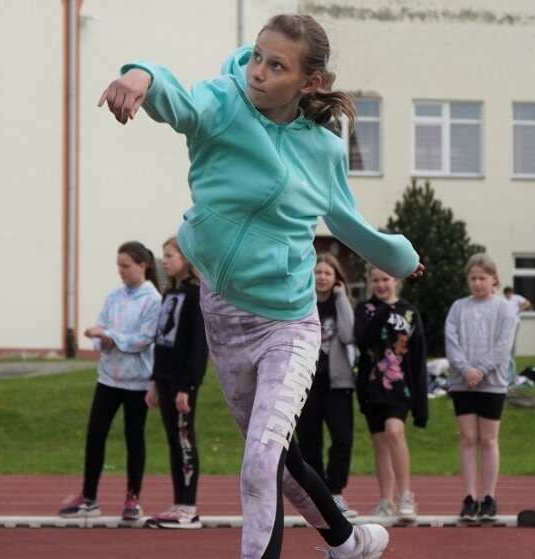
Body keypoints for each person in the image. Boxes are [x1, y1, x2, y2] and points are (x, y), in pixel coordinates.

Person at [98, 13, 424, 559]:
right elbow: (177, 99)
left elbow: (344, 220)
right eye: (256, 57)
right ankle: (349, 542)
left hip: (287, 323)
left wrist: (400, 255)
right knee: (278, 458)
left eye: (277, 66)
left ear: (309, 82)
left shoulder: (321, 147)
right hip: (223, 315)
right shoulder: (224, 105)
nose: (258, 73)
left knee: (260, 458)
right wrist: (140, 77)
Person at [59, 241, 162, 520]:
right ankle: (89, 497)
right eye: (118, 266)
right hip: (108, 378)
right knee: (95, 434)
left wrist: (111, 337)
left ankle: (133, 498)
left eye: (126, 266)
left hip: (137, 380)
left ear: (143, 266)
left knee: (134, 437)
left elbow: (143, 339)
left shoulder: (153, 300)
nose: (121, 272)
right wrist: (101, 340)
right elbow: (101, 327)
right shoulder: (114, 296)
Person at [444, 253, 516, 521]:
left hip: (492, 384)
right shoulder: (458, 308)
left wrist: (481, 370)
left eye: (482, 278)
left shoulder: (504, 309)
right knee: (468, 439)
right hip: (462, 383)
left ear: (494, 279)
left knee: (488, 440)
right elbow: (451, 342)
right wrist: (465, 370)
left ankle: (489, 497)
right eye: (472, 278)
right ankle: (469, 497)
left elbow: (503, 346)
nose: (476, 283)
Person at [354, 265, 428, 521]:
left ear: (395, 280)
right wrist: (383, 309)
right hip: (371, 387)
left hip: (400, 386)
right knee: (380, 444)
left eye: (385, 279)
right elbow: (364, 340)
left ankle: (406, 495)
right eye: (375, 280)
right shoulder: (365, 310)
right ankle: (386, 500)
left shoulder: (409, 313)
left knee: (395, 432)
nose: (381, 285)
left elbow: (418, 356)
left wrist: (421, 404)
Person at [145, 236, 209, 529]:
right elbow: (161, 341)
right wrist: (155, 381)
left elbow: (198, 347)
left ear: (186, 258)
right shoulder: (170, 294)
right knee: (173, 440)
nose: (165, 262)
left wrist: (188, 385)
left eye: (169, 256)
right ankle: (179, 501)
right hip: (165, 378)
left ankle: (189, 506)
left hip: (183, 383)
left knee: (184, 440)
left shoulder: (197, 296)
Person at [295, 254, 358, 518]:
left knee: (342, 438)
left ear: (336, 278)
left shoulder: (341, 304)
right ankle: (318, 495)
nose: (322, 277)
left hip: (337, 383)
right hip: (306, 382)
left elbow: (347, 334)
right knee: (309, 441)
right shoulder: (303, 303)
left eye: (327, 273)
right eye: (318, 272)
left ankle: (335, 491)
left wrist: (342, 297)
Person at [502, 286, 531, 356]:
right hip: (506, 322)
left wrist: (521, 309)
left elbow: (528, 303)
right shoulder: (503, 300)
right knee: (506, 337)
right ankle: (506, 353)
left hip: (515, 321)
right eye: (506, 294)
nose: (508, 295)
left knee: (513, 338)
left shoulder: (517, 298)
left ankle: (512, 354)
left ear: (511, 293)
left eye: (509, 294)